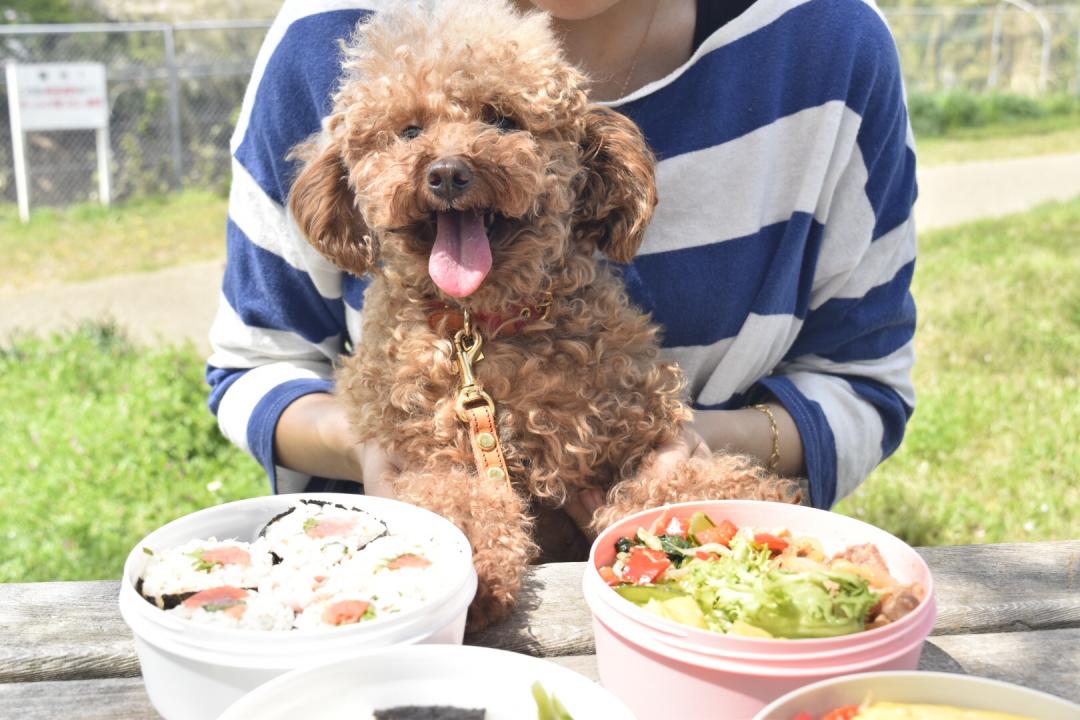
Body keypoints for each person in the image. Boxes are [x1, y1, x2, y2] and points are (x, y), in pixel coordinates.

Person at [207, 0, 917, 530]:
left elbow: (861, 382)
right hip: (411, 599)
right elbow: (254, 367)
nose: (450, 164)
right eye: (413, 131)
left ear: (584, 161)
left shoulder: (830, 47)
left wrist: (699, 445)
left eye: (504, 122)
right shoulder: (323, 44)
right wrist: (372, 447)